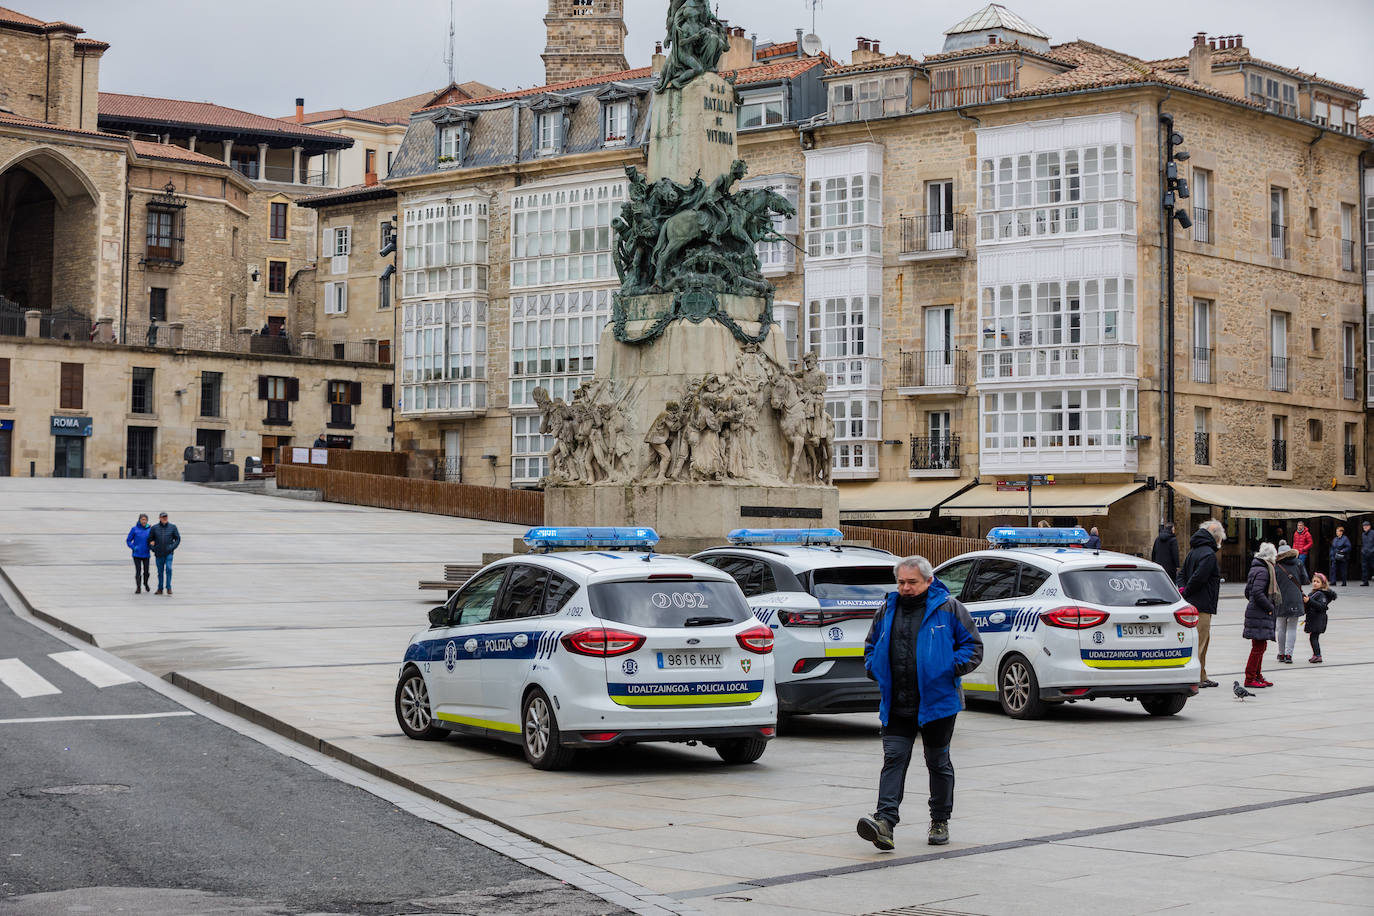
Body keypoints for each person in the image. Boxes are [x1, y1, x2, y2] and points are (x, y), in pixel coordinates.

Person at [857, 556, 983, 851]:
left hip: (938, 702)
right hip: (897, 701)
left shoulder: (948, 608)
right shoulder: (887, 608)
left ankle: (940, 820)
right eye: (901, 582)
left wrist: (947, 667)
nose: (905, 588)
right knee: (894, 759)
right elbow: (871, 645)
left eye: (912, 582)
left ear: (928, 581)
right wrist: (874, 666)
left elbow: (973, 646)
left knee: (937, 762)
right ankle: (885, 823)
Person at [1179, 519, 1224, 688]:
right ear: (1217, 538)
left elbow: (1182, 573)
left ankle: (1202, 674)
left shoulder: (1193, 551)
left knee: (1201, 640)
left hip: (1192, 602)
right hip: (1203, 604)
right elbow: (1199, 577)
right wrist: (1188, 590)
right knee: (1200, 642)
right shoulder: (1208, 554)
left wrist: (1183, 590)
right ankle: (1196, 676)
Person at [1243, 542, 1279, 689]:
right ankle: (1250, 678)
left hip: (1255, 611)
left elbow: (1248, 591)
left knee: (1260, 646)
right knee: (1258, 647)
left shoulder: (1256, 568)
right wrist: (1269, 607)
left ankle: (1257, 676)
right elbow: (1257, 593)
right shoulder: (1264, 570)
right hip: (1260, 612)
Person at [1272, 541, 1308, 665]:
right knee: (1292, 628)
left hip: (1280, 599)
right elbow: (1305, 580)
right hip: (1295, 598)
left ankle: (1281, 653)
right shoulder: (1298, 563)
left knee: (1280, 627)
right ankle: (1289, 654)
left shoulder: (1276, 565)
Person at [148, 511, 181, 596]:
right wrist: (153, 549)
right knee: (160, 572)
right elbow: (149, 540)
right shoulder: (154, 528)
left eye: (166, 517)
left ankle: (169, 587)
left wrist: (172, 547)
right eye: (163, 517)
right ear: (160, 518)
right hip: (159, 553)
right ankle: (160, 588)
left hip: (169, 553)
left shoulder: (173, 527)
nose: (165, 518)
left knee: (169, 569)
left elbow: (178, 539)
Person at [1304, 573, 1334, 664]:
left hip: (1318, 619)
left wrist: (1309, 601)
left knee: (1314, 637)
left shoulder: (1321, 594)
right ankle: (1316, 654)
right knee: (1313, 637)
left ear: (1323, 584)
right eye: (1314, 581)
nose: (1315, 583)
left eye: (1318, 582)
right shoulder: (1314, 593)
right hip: (1313, 618)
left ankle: (1317, 655)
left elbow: (1322, 606)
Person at [125, 513, 152, 594]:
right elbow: (128, 540)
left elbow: (153, 539)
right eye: (142, 519)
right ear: (139, 520)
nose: (144, 521)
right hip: (137, 554)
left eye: (145, 520)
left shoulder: (150, 529)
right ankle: (138, 587)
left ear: (147, 520)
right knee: (138, 571)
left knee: (146, 571)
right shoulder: (134, 529)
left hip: (146, 554)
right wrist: (134, 547)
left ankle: (146, 583)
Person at [1360, 520, 1374, 586]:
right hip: (1364, 553)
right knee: (1364, 568)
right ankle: (1365, 582)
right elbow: (1363, 543)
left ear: (1369, 526)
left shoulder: (1373, 533)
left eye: (1366, 526)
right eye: (1364, 526)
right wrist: (1362, 550)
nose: (1365, 527)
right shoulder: (1363, 534)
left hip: (1372, 553)